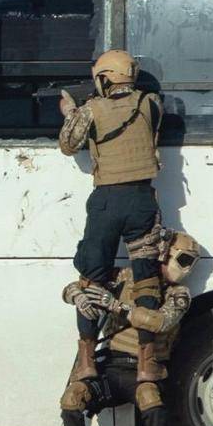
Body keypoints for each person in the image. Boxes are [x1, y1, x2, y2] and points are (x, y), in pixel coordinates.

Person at [58, 228, 201, 426]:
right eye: (183, 260)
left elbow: (161, 322)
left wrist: (117, 307)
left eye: (191, 263)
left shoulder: (178, 294)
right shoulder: (125, 278)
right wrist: (76, 295)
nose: (186, 269)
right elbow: (77, 285)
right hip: (111, 365)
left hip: (144, 370)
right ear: (164, 255)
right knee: (72, 398)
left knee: (150, 398)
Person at [58, 49, 165, 383]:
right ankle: (147, 363)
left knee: (91, 279)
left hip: (107, 202)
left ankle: (87, 361)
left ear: (104, 79)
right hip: (142, 200)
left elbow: (68, 145)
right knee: (147, 281)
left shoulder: (91, 110)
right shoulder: (151, 103)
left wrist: (71, 112)